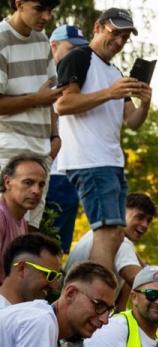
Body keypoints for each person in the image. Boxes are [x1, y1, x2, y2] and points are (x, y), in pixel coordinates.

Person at [54, 7, 150, 277]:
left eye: (125, 37)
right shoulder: (78, 57)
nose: (119, 42)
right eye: (115, 33)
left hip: (112, 162)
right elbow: (62, 104)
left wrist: (146, 102)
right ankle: (96, 301)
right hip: (89, 160)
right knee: (107, 234)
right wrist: (109, 93)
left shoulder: (116, 72)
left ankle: (94, 296)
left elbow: (132, 121)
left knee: (117, 235)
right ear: (97, 27)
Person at [0, 0, 61, 229]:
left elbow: (50, 94)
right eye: (39, 8)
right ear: (19, 4)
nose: (46, 16)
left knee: (28, 235)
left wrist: (55, 139)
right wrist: (36, 99)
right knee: (5, 231)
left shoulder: (41, 38)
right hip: (8, 152)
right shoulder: (1, 39)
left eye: (50, 10)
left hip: (40, 153)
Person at [66, 191, 156, 309]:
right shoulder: (120, 242)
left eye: (149, 221)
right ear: (120, 212)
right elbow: (142, 282)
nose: (145, 225)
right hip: (80, 312)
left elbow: (120, 306)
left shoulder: (99, 233)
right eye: (139, 217)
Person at [42, 23, 83, 253]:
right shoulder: (40, 82)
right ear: (53, 47)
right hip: (40, 172)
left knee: (56, 249)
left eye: (81, 50)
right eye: (71, 49)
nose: (77, 55)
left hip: (66, 175)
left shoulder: (79, 84)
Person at [0, 155, 45, 258]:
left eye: (41, 185)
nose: (36, 191)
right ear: (7, 182)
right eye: (28, 182)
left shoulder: (21, 219)